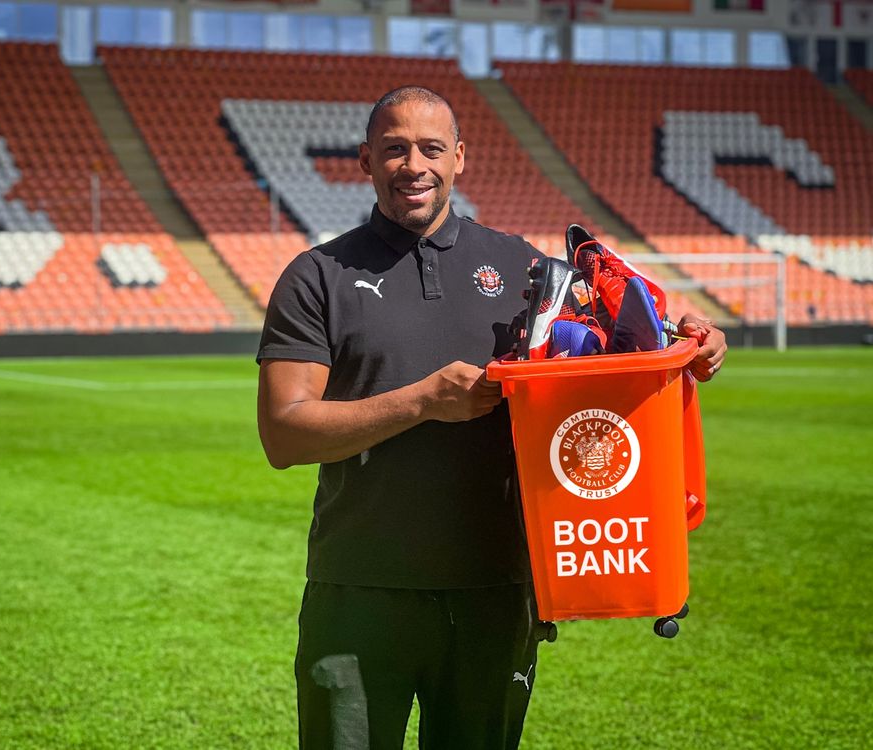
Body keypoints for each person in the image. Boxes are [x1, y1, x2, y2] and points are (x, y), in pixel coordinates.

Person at [256, 86, 727, 750]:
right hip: (357, 593)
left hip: (495, 592)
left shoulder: (527, 269)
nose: (412, 164)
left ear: (460, 158)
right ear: (364, 160)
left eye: (429, 148)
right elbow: (284, 432)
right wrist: (422, 401)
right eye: (393, 149)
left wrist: (691, 344)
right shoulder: (317, 276)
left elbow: (623, 346)